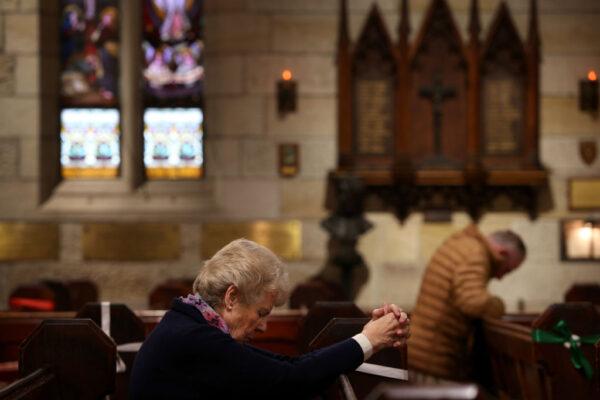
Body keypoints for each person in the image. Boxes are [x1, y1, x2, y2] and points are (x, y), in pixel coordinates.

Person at [130, 238, 410, 400]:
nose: (263, 326)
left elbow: (287, 366)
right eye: (261, 313)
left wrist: (367, 336)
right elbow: (291, 378)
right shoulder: (193, 338)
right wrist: (370, 339)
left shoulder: (189, 323)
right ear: (232, 297)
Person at [408, 224, 526, 382]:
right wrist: (499, 305)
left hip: (421, 350)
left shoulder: (463, 244)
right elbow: (473, 302)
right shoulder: (476, 253)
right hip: (433, 357)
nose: (500, 277)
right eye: (507, 269)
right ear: (502, 253)